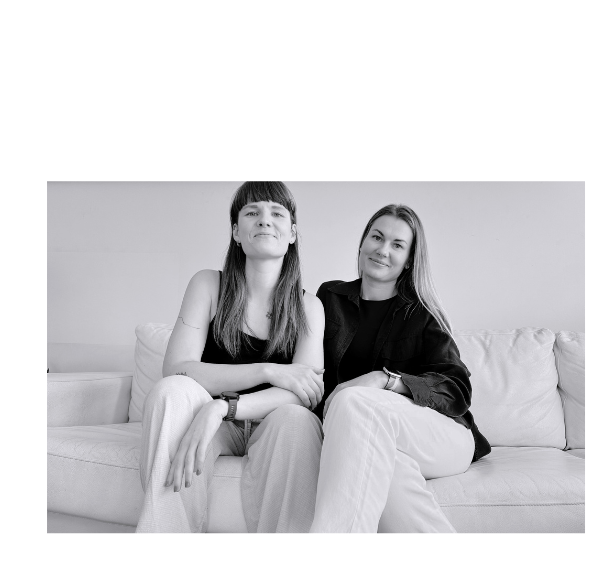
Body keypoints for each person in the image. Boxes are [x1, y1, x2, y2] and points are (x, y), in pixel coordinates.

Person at [137, 182, 325, 533]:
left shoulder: (309, 306)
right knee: (169, 392)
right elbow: (177, 369)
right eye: (252, 212)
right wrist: (268, 370)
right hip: (209, 422)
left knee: (299, 421)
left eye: (277, 213)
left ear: (292, 233)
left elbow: (305, 393)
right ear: (236, 232)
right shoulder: (208, 284)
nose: (264, 220)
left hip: (268, 423)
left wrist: (223, 407)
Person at [311, 204, 491, 533]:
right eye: (377, 237)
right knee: (379, 467)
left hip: (443, 436)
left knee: (354, 401)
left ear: (409, 259)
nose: (383, 250)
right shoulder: (329, 297)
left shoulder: (422, 313)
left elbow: (456, 389)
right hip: (369, 434)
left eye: (397, 245)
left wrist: (384, 380)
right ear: (362, 243)